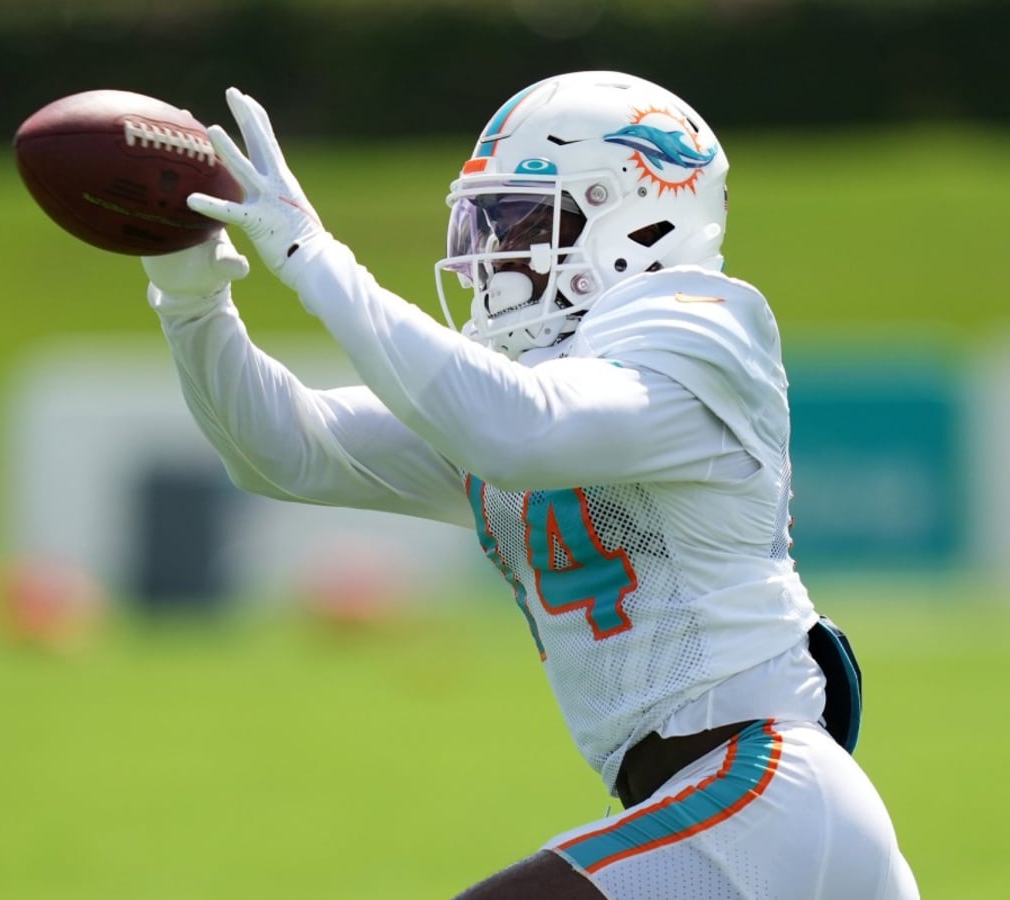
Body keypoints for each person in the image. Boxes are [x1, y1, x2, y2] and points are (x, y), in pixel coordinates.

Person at [140, 71, 919, 899]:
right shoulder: (523, 388)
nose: (488, 252)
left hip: (764, 795)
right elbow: (280, 451)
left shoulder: (702, 321)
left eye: (520, 220)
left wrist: (312, 253)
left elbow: (524, 430)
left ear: (635, 216)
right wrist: (192, 301)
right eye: (484, 221)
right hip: (706, 810)